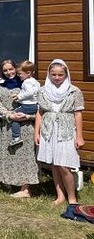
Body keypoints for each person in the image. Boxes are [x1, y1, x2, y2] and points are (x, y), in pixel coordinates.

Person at [35, 59, 85, 205]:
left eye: (60, 75)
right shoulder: (43, 91)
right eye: (54, 74)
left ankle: (72, 197)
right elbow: (40, 112)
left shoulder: (74, 91)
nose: (57, 78)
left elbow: (78, 114)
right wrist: (36, 132)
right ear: (49, 74)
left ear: (66, 75)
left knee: (64, 164)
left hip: (66, 130)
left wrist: (80, 136)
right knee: (54, 164)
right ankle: (60, 195)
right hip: (49, 129)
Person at [0, 60, 38, 198]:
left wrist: (27, 116)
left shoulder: (27, 85)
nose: (9, 72)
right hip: (7, 125)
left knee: (25, 157)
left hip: (25, 126)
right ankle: (9, 181)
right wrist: (9, 115)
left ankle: (25, 188)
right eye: (5, 70)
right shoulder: (0, 86)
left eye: (11, 69)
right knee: (10, 155)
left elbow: (37, 106)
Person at [10, 60, 39, 146]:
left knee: (14, 117)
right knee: (21, 117)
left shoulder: (26, 82)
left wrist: (19, 97)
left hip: (28, 105)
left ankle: (16, 137)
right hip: (34, 105)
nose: (18, 76)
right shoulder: (35, 81)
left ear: (28, 73)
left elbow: (29, 93)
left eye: (20, 74)